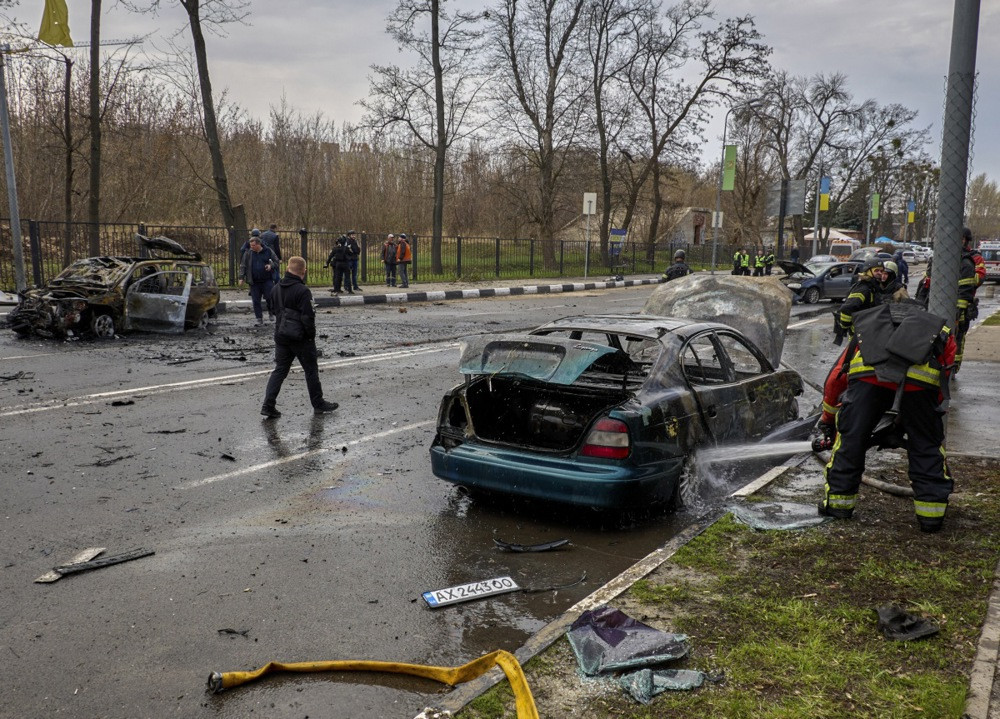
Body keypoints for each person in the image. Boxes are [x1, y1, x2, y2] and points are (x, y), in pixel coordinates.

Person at [819, 300, 956, 533]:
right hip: (920, 391)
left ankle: (838, 507)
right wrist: (919, 417)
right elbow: (943, 380)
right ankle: (930, 517)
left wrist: (828, 419)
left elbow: (836, 380)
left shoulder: (867, 327)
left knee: (850, 444)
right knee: (926, 446)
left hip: (867, 386)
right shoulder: (939, 331)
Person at [260, 256, 339, 418]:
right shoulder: (303, 291)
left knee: (280, 370)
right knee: (310, 370)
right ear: (303, 271)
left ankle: (268, 405)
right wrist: (310, 336)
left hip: (281, 336)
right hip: (300, 338)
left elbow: (272, 309)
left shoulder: (276, 288)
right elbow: (308, 317)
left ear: (288, 269)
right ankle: (318, 403)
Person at [955, 228, 983, 373]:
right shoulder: (946, 256)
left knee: (959, 335)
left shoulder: (974, 258)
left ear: (965, 239)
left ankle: (953, 367)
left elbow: (978, 278)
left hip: (963, 304)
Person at [239, 235, 279, 325]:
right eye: (251, 245)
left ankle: (271, 312)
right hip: (254, 281)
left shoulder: (268, 251)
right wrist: (241, 277)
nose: (251, 247)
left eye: (253, 245)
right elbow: (243, 265)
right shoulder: (248, 253)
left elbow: (276, 262)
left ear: (258, 244)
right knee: (256, 300)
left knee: (270, 298)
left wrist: (270, 266)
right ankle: (259, 318)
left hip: (267, 280)